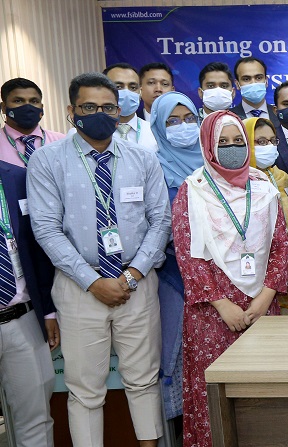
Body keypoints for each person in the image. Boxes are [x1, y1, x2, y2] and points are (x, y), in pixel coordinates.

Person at [28, 72, 170, 447]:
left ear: (119, 111)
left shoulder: (143, 158)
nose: (99, 114)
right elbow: (46, 229)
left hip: (137, 284)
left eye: (108, 107)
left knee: (144, 380)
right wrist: (93, 282)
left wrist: (133, 274)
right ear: (71, 110)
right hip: (79, 287)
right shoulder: (47, 160)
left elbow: (161, 221)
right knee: (85, 390)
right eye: (89, 107)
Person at [172, 110, 286, 447]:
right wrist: (223, 305)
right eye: (222, 142)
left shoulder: (264, 187)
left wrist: (265, 298)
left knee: (263, 392)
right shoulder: (193, 190)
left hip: (262, 307)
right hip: (212, 313)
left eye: (238, 140)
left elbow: (280, 244)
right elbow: (187, 254)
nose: (232, 148)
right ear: (208, 146)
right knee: (217, 399)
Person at [147, 90, 202, 422]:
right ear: (158, 126)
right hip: (173, 275)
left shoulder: (214, 161)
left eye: (189, 119)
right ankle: (184, 427)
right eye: (173, 121)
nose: (183, 126)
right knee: (177, 354)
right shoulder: (151, 167)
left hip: (219, 275)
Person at [0, 157, 58, 446]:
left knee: (36, 419)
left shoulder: (18, 177)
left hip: (22, 318)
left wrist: (48, 311)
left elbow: (37, 248)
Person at [246, 117, 288, 315]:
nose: (269, 146)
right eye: (261, 142)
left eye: (273, 141)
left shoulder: (284, 178)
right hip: (262, 286)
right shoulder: (239, 186)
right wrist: (279, 269)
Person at [1, 78, 65, 166]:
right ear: (3, 107)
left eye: (34, 101)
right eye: (18, 101)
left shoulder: (62, 141)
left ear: (41, 107)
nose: (27, 106)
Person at [103, 63, 158, 152]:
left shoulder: (154, 132)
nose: (127, 93)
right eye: (118, 87)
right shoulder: (91, 132)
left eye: (133, 87)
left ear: (140, 92)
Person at [229, 56, 279, 129]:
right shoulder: (229, 117)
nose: (253, 82)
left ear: (266, 81)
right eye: (246, 79)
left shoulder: (279, 114)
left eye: (259, 78)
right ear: (237, 84)